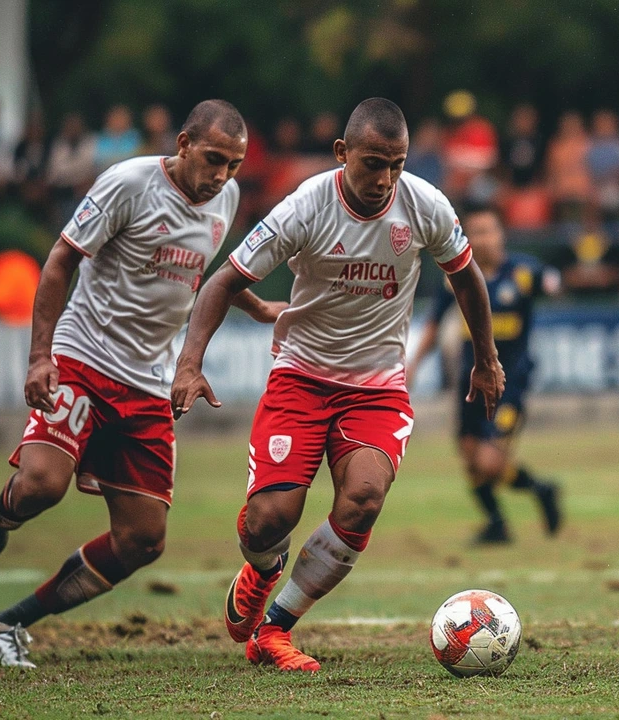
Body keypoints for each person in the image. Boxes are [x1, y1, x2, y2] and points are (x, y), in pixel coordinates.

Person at [0, 100, 285, 668]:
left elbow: (203, 271)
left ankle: (8, 624)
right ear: (182, 144)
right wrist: (39, 357)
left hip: (147, 382)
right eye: (214, 159)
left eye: (234, 164)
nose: (222, 175)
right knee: (41, 486)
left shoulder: (227, 197)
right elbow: (59, 262)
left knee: (143, 541)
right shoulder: (127, 184)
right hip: (83, 357)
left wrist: (253, 304)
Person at [170, 98, 504, 673]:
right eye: (374, 163)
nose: (386, 179)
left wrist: (485, 356)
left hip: (377, 388)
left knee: (365, 497)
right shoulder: (305, 207)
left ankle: (274, 629)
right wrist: (189, 362)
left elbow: (467, 276)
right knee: (270, 520)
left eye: (397, 164)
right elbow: (224, 280)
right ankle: (263, 568)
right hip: (301, 377)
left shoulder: (424, 204)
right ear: (342, 154)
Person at [409, 206, 561, 545]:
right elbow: (433, 324)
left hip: (511, 383)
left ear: (501, 235)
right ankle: (497, 524)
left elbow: (555, 282)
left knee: (490, 463)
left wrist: (557, 283)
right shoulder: (456, 277)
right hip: (470, 381)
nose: (483, 239)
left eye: (489, 231)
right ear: (467, 239)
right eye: (475, 232)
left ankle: (541, 490)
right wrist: (414, 364)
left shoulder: (523, 272)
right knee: (468, 455)